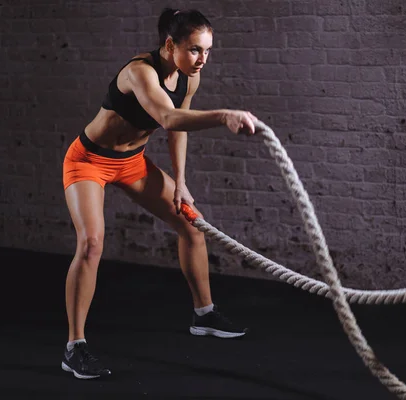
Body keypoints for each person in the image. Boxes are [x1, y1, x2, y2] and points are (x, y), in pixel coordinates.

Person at [60, 8, 258, 380]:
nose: (203, 59)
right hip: (89, 160)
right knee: (91, 243)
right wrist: (223, 116)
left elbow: (176, 130)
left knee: (192, 225)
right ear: (170, 45)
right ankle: (75, 347)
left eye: (208, 51)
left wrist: (181, 182)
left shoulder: (188, 79)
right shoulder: (139, 72)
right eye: (196, 50)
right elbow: (167, 118)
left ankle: (205, 314)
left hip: (132, 162)